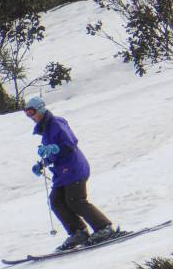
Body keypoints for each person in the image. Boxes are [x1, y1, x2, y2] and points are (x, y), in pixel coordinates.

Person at [24, 95, 116, 251]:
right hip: (62, 173)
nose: (30, 117)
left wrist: (54, 148)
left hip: (74, 168)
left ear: (40, 108)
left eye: (31, 112)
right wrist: (43, 163)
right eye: (27, 114)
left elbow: (70, 143)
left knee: (75, 200)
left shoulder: (56, 123)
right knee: (56, 200)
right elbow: (54, 153)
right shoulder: (46, 130)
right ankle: (78, 231)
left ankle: (104, 228)